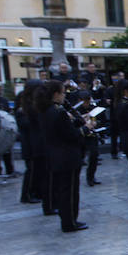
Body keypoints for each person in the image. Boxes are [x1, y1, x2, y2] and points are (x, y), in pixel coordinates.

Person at [37, 80, 87, 232]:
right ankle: (70, 221)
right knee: (70, 191)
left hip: (56, 154)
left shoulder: (45, 110)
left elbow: (62, 129)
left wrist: (75, 121)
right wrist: (85, 128)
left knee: (63, 190)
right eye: (63, 93)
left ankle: (67, 219)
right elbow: (71, 135)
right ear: (56, 94)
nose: (64, 96)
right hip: (67, 156)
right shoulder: (58, 112)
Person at [14, 80, 43, 205]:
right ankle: (27, 195)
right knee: (31, 170)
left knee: (38, 170)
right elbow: (26, 125)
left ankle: (37, 192)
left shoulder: (35, 105)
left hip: (37, 142)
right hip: (30, 144)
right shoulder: (23, 109)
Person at [74, 91, 101, 187]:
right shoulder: (76, 110)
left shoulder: (93, 108)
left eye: (88, 102)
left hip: (91, 135)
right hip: (80, 136)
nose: (87, 104)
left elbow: (100, 119)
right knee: (79, 158)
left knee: (94, 155)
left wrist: (96, 123)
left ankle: (91, 177)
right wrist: (83, 118)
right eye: (85, 102)